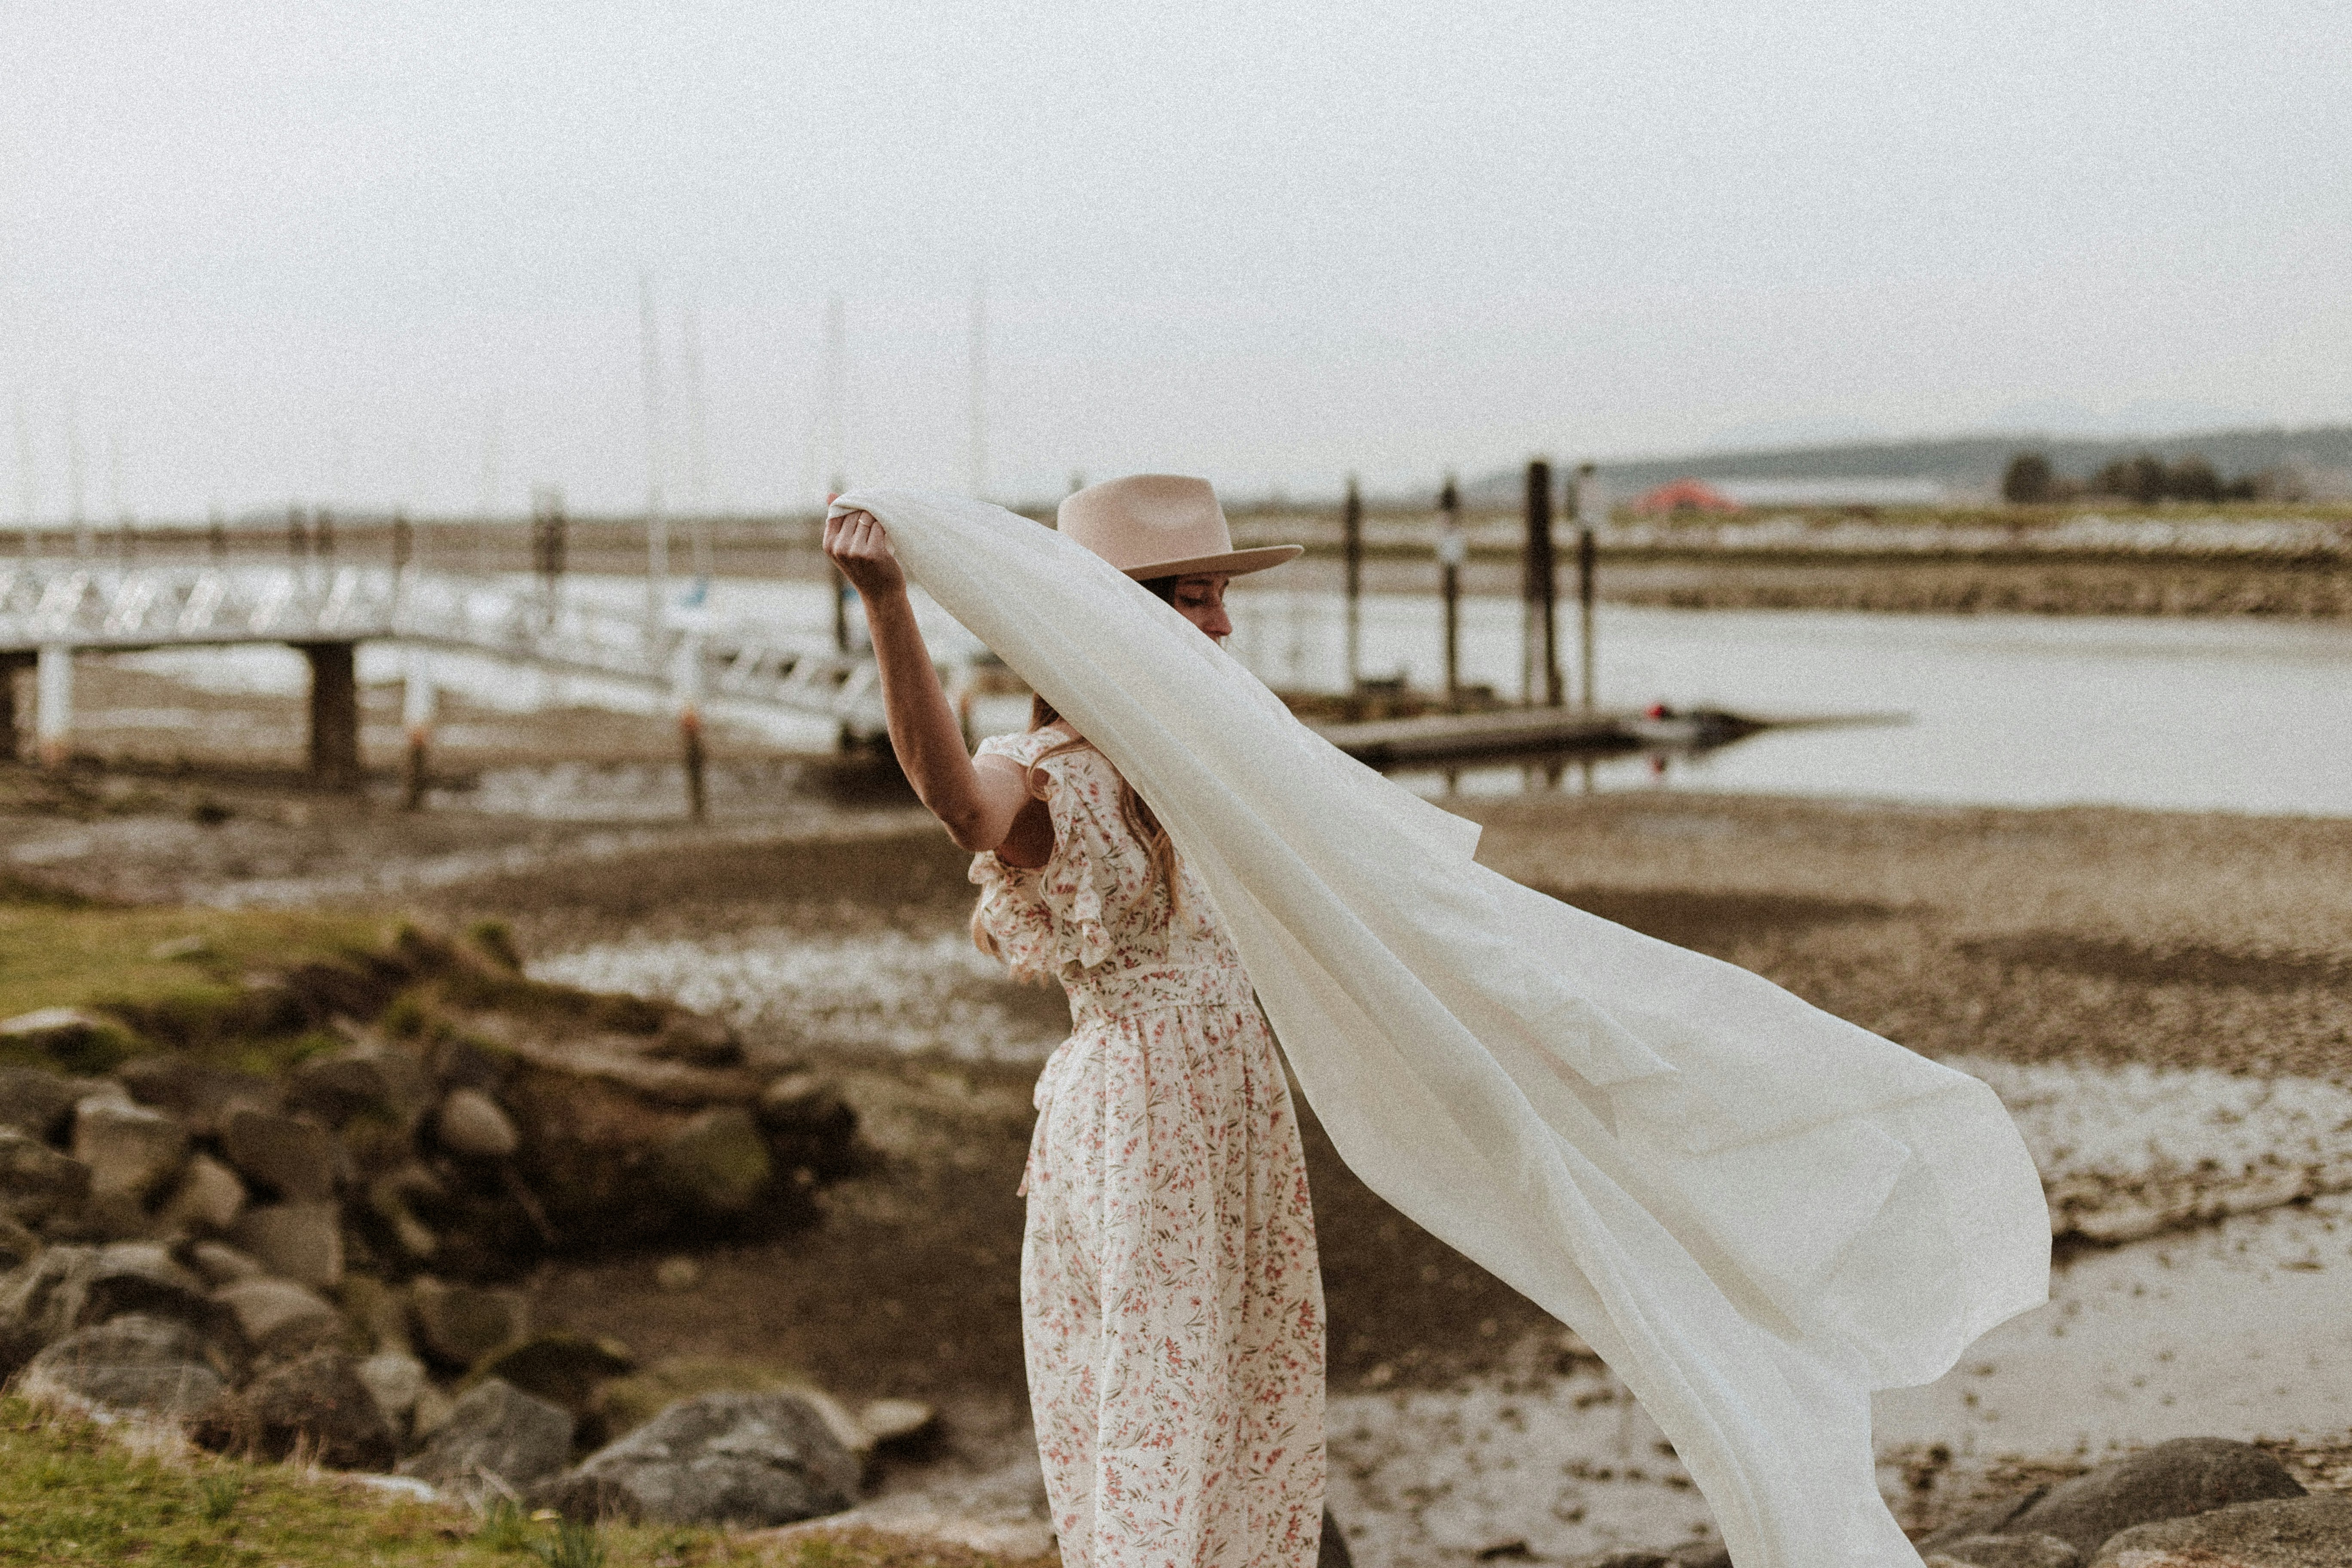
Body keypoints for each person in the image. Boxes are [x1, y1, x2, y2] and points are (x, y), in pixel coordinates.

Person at [824, 475, 1325, 1568]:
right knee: (1155, 1391)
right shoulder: (1050, 774)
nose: (1226, 624)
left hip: (1235, 1100)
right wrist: (887, 605)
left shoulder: (1205, 756)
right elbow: (960, 803)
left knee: (1245, 1385)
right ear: (1124, 611)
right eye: (1198, 598)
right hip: (1146, 1110)